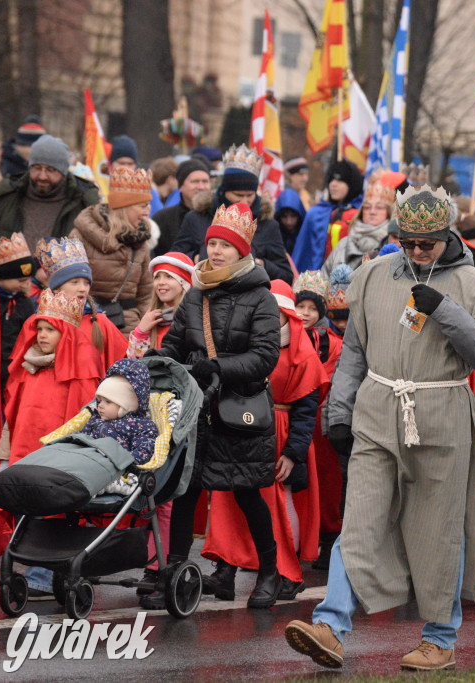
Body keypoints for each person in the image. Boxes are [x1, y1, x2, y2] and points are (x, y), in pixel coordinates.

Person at [284, 185, 475, 671]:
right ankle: (330, 625)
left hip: (442, 417)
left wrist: (444, 310)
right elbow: (355, 354)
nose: (415, 251)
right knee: (360, 520)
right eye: (406, 242)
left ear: (447, 237)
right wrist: (339, 412)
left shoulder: (472, 283)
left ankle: (439, 638)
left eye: (425, 244)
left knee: (437, 531)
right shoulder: (371, 277)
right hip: (378, 413)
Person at [148, 201, 282, 609]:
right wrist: (158, 365)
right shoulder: (196, 296)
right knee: (185, 492)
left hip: (238, 411)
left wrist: (217, 366)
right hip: (196, 412)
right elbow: (173, 343)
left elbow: (265, 356)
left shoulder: (263, 298)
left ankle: (270, 573)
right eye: (213, 244)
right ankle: (173, 577)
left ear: (243, 251)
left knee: (246, 494)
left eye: (226, 245)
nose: (217, 251)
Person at [201, 280, 327, 602]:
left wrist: (292, 454)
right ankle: (225, 571)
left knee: (276, 508)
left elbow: (306, 411)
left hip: (278, 433)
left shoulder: (303, 354)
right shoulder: (247, 346)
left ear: (286, 315)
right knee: (227, 500)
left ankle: (284, 573)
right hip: (238, 426)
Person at [4, 290, 101, 466]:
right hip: (22, 447)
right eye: (39, 329)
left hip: (56, 456)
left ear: (67, 335)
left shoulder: (80, 370)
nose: (42, 335)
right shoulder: (30, 364)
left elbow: (81, 417)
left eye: (50, 330)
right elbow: (16, 412)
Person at [171, 144, 292, 283]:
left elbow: (286, 275)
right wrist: (195, 258)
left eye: (250, 195)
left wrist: (262, 264)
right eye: (238, 195)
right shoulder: (196, 217)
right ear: (224, 191)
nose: (245, 201)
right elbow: (174, 260)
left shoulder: (268, 224)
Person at [294, 269, 343, 569]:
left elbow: (328, 377)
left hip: (320, 423)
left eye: (313, 308)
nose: (305, 313)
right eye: (301, 307)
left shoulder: (333, 344)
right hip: (294, 419)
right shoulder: (282, 336)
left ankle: (327, 540)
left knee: (326, 485)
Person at [71, 166, 156, 334]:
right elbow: (69, 284)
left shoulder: (141, 242)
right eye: (143, 206)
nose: (147, 212)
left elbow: (145, 293)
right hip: (88, 321)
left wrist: (147, 331)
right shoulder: (81, 236)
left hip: (128, 326)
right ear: (125, 206)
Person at [35, 236, 129, 370]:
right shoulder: (41, 321)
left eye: (86, 283)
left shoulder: (98, 320)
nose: (82, 289)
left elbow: (124, 357)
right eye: (74, 282)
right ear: (56, 288)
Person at [0, 135, 100, 246]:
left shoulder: (84, 204)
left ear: (63, 172)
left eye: (51, 170)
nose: (42, 176)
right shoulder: (6, 196)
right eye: (37, 168)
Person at [76, 358, 159, 465]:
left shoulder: (142, 426)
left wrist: (120, 461)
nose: (100, 405)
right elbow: (80, 438)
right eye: (99, 400)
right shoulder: (95, 419)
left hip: (111, 466)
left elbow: (142, 453)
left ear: (126, 405)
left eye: (108, 402)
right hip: (85, 459)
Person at [292, 158, 364, 272]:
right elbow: (301, 253)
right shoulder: (315, 213)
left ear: (352, 184)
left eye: (340, 180)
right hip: (314, 280)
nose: (333, 184)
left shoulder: (362, 213)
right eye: (331, 180)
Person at [320, 173, 395, 275]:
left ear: (388, 212)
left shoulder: (395, 245)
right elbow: (324, 278)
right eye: (367, 207)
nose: (372, 212)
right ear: (361, 211)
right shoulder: (344, 244)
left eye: (379, 207)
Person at [127, 252, 195, 359]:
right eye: (157, 277)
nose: (161, 282)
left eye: (169, 276)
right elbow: (136, 365)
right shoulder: (153, 319)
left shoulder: (194, 318)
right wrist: (141, 332)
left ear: (184, 284)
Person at [0, 233, 38, 397]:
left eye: (28, 280)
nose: (26, 285)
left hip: (12, 368)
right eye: (20, 281)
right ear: (3, 276)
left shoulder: (24, 303)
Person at [152, 158, 211, 257]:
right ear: (181, 186)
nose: (201, 187)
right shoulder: (162, 218)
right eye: (195, 182)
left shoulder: (217, 215)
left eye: (205, 182)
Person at [275, 188, 307, 253]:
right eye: (284, 216)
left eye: (293, 216)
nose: (288, 222)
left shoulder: (305, 237)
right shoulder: (272, 235)